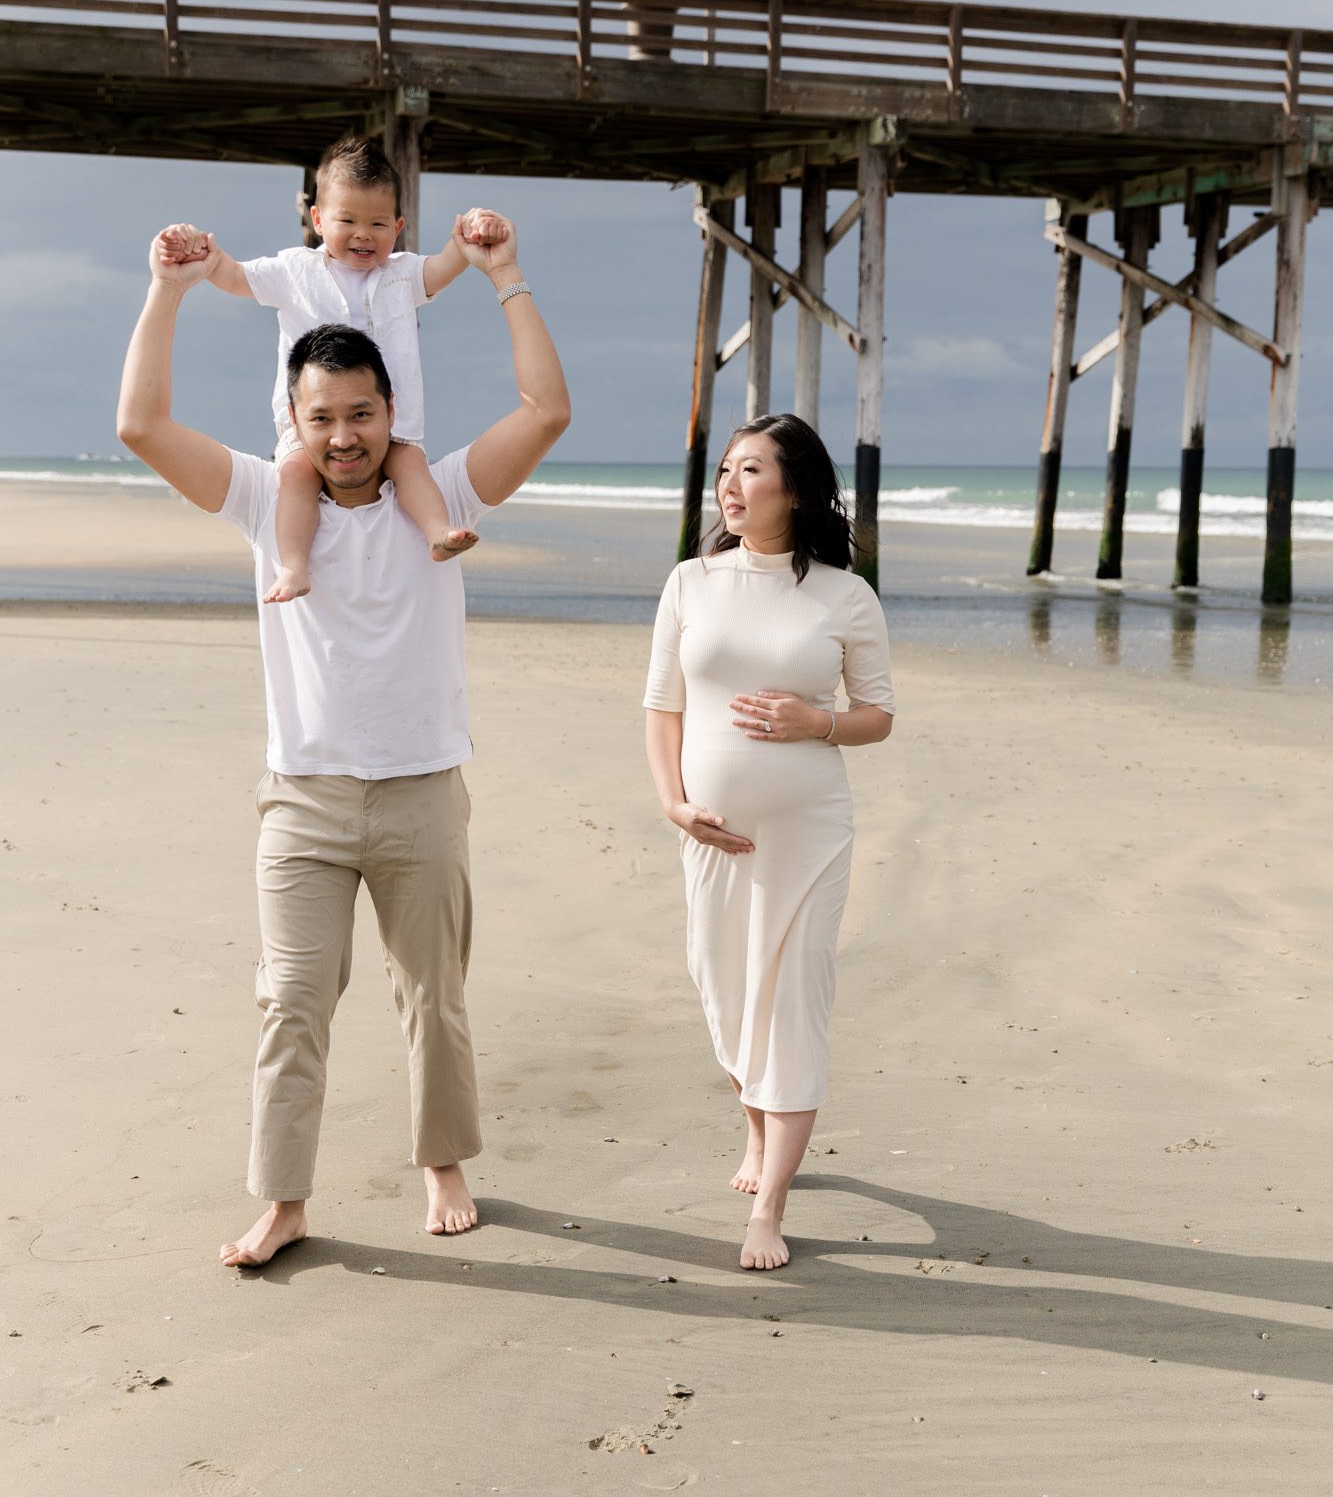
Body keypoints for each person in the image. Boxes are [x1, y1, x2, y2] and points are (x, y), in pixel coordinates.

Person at [116, 213, 569, 1268]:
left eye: (361, 413)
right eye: (322, 418)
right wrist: (168, 291)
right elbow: (141, 424)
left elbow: (546, 411)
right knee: (291, 1002)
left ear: (391, 410)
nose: (344, 435)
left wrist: (504, 271)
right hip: (305, 801)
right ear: (294, 418)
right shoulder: (255, 498)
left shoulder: (442, 494)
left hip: (420, 793)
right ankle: (283, 1197)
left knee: (434, 996)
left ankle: (444, 1160)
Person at [643, 415, 895, 1271]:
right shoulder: (689, 582)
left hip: (808, 833)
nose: (729, 483)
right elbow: (662, 708)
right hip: (713, 834)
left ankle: (772, 1208)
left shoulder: (843, 594)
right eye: (725, 469)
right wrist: (673, 804)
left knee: (790, 1000)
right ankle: (756, 1129)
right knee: (728, 989)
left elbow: (878, 716)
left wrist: (814, 721)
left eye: (750, 469)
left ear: (793, 488)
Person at [163, 132, 510, 603]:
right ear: (318, 220)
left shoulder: (402, 274)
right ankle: (293, 566)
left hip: (392, 422)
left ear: (399, 227)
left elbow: (448, 265)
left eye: (378, 223)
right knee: (295, 479)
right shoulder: (294, 271)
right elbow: (236, 276)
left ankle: (436, 531)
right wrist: (201, 252)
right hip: (311, 428)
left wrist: (473, 232)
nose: (363, 234)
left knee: (411, 467)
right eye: (347, 220)